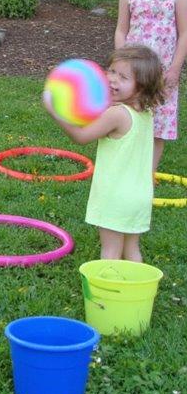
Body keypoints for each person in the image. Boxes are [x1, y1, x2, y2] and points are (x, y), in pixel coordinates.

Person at [43, 46, 165, 261]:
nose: (112, 79)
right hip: (140, 195)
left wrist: (55, 111)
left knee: (110, 251)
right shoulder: (145, 113)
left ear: (141, 87)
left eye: (123, 77)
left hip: (116, 196)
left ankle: (109, 282)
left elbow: (81, 137)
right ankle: (135, 281)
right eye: (112, 71)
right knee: (131, 248)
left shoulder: (116, 114)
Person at [115, 0, 187, 170]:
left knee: (158, 125)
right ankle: (127, 168)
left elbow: (184, 34)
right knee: (131, 117)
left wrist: (175, 69)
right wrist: (121, 65)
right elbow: (121, 30)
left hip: (162, 70)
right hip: (134, 69)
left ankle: (148, 176)